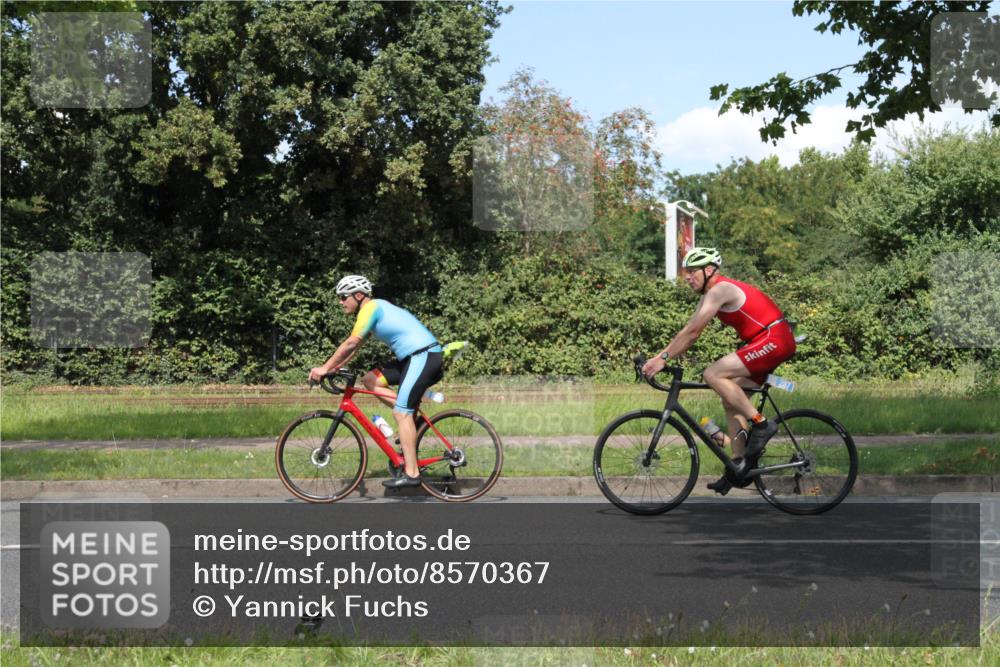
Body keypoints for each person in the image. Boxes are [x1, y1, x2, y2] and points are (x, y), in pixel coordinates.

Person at [641, 247, 796, 495]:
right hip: (765, 341)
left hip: (773, 338)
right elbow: (688, 330)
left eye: (692, 272)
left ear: (709, 270)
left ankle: (761, 424)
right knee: (729, 396)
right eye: (686, 273)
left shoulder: (720, 289)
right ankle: (738, 466)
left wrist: (662, 359)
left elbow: (693, 333)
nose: (687, 277)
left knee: (712, 374)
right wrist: (660, 356)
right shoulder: (709, 295)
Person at [309, 275, 443, 488]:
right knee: (370, 380)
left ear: (359, 295)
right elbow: (357, 345)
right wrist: (333, 368)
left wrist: (324, 367)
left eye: (344, 297)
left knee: (401, 413)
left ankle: (412, 473)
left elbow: (351, 343)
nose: (340, 302)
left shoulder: (371, 309)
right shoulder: (374, 310)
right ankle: (410, 417)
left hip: (423, 356)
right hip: (412, 358)